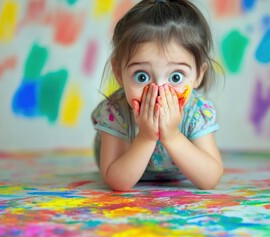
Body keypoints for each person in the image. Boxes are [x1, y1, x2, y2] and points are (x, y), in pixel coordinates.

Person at [92, 0, 223, 191]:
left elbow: (210, 178)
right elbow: (116, 181)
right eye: (142, 76)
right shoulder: (115, 111)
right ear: (119, 73)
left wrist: (173, 136)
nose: (159, 90)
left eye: (176, 77)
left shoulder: (196, 111)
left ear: (198, 75)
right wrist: (146, 137)